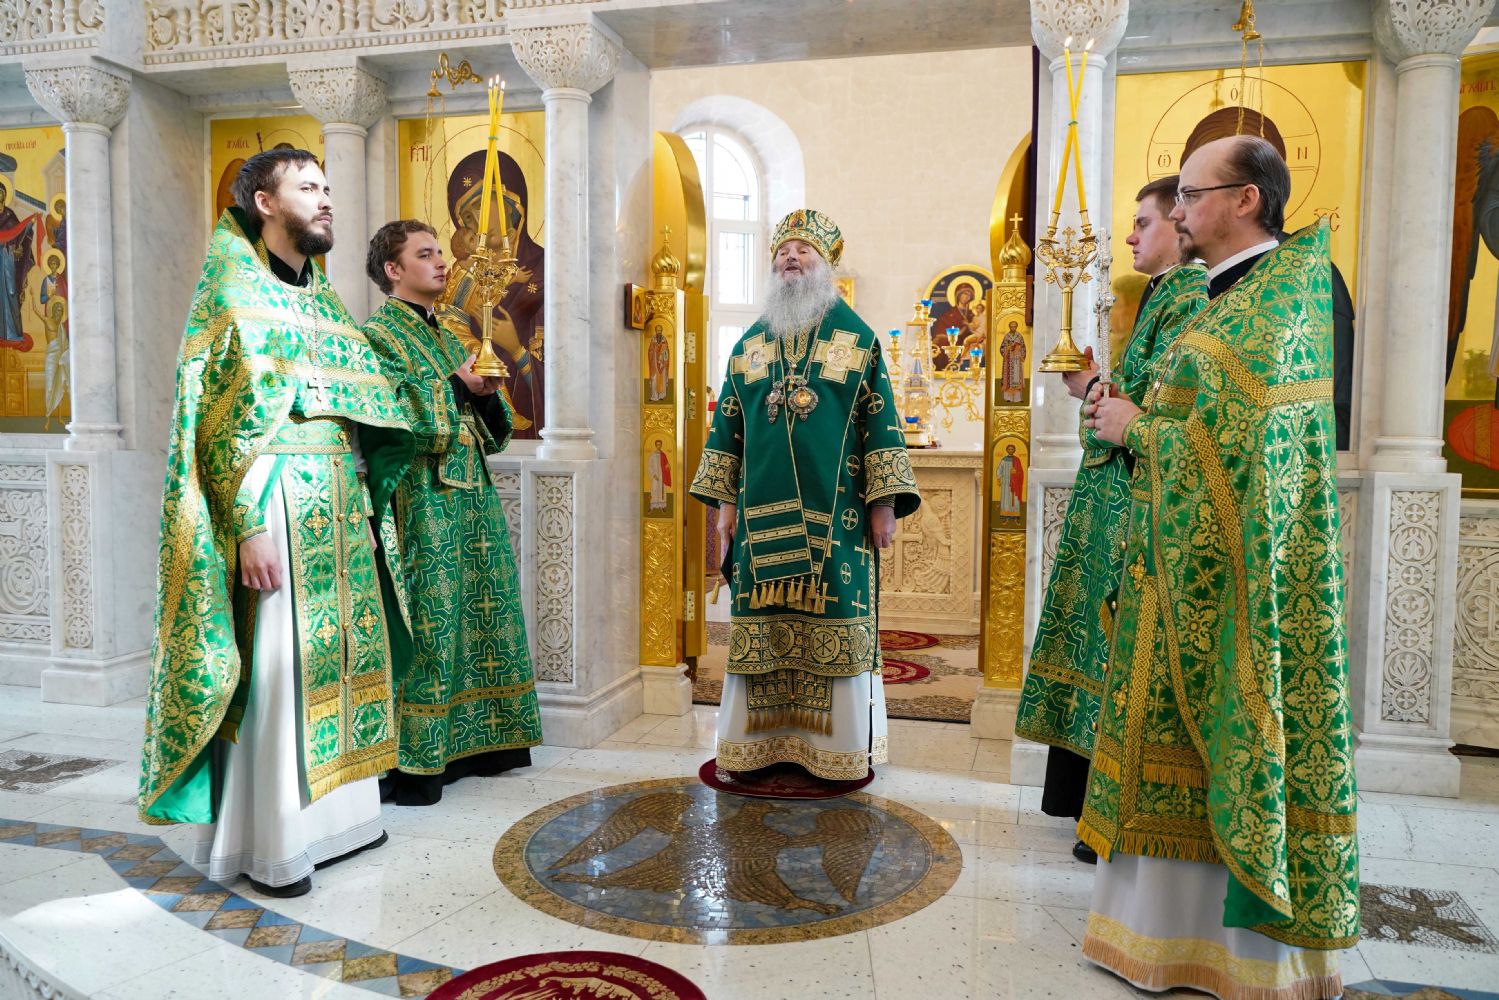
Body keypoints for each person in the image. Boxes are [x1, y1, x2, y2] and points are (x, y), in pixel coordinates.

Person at [1080, 135, 1357, 998]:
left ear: (1245, 199)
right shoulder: (1219, 298)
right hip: (1172, 571)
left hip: (1234, 584)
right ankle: (1154, 935)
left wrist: (1138, 430)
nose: (1178, 212)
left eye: (1191, 196)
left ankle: (1233, 954)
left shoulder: (1279, 302)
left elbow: (1247, 458)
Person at [139, 149, 415, 899]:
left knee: (341, 657)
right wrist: (246, 527)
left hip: (337, 501)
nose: (326, 200)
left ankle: (343, 821)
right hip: (274, 502)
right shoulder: (232, 293)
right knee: (278, 667)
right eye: (308, 188)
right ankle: (273, 842)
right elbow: (212, 427)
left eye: (327, 188)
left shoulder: (323, 301)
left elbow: (359, 408)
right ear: (265, 202)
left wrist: (366, 497)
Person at [1016, 175, 1207, 866]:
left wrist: (1093, 387)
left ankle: (1110, 815)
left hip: (1132, 506)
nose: (1130, 235)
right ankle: (1089, 806)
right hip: (1114, 502)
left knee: (1116, 654)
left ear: (1178, 227)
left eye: (1142, 222)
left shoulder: (1188, 299)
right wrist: (1101, 388)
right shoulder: (1162, 296)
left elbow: (1147, 410)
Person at [689, 209, 919, 783]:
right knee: (761, 628)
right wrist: (724, 510)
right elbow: (727, 430)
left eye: (803, 251)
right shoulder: (749, 344)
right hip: (758, 521)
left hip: (837, 519)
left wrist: (883, 504)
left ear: (824, 266)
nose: (790, 258)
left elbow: (880, 422)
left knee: (836, 619)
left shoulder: (857, 339)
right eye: (782, 251)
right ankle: (757, 746)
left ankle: (835, 750)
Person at [361, 219, 542, 807]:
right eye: (426, 254)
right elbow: (386, 419)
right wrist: (457, 390)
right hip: (421, 499)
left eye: (440, 251)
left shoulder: (448, 335)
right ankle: (417, 760)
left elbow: (489, 431)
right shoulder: (377, 337)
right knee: (432, 620)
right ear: (393, 270)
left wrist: (483, 397)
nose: (442, 262)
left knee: (480, 615)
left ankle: (479, 744)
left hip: (471, 498)